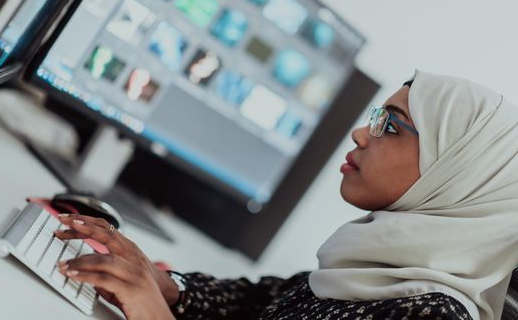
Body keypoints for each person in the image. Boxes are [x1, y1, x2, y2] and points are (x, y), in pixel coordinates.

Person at [53, 70, 518, 320]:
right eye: (376, 115)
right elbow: (265, 304)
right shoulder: (378, 264)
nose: (359, 133)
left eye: (389, 126)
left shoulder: (432, 315)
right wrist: (168, 289)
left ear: (458, 172)